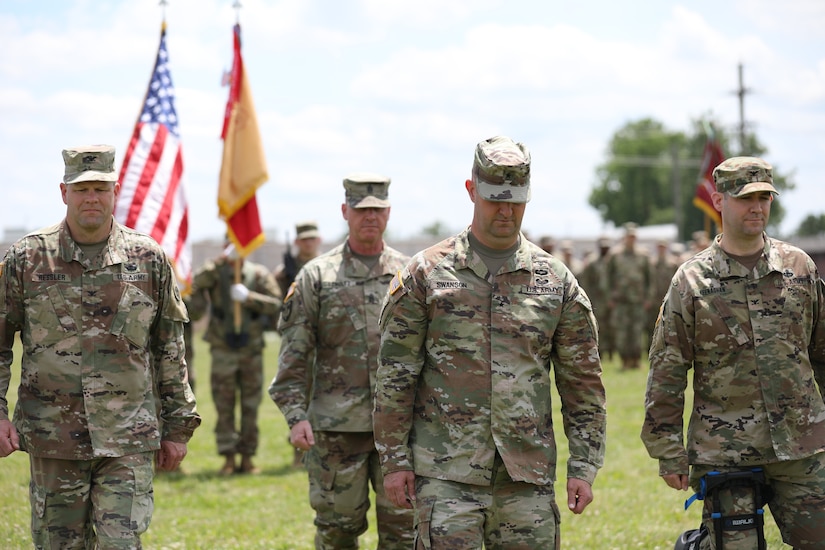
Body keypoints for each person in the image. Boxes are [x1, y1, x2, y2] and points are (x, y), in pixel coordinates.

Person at [374, 136, 607, 548]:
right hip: (446, 474)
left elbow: (583, 385)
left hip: (526, 476)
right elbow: (395, 377)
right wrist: (394, 461)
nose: (506, 210)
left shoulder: (555, 282)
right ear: (471, 191)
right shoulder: (426, 276)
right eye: (495, 199)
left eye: (516, 200)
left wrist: (583, 466)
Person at [0, 145, 201, 548]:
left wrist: (178, 427)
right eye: (81, 189)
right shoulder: (27, 258)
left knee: (120, 544)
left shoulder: (149, 259)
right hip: (53, 437)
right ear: (63, 192)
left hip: (128, 436)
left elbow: (169, 350)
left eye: (100, 188)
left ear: (115, 192)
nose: (91, 197)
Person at [641, 156, 825, 549]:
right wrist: (668, 451)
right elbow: (667, 369)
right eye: (745, 198)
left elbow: (822, 351)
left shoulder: (799, 269)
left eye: (764, 197)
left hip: (802, 444)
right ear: (719, 200)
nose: (757, 207)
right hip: (727, 450)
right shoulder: (691, 280)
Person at [269, 173, 414, 548]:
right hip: (335, 431)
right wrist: (295, 414)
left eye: (378, 209)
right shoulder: (316, 276)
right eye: (362, 210)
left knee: (406, 532)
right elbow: (294, 353)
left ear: (389, 212)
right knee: (337, 532)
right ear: (345, 211)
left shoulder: (411, 275)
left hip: (400, 430)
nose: (371, 217)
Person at [188, 242, 281, 475]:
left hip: (251, 348)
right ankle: (228, 457)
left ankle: (248, 457)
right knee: (224, 405)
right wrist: (218, 263)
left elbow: (275, 304)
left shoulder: (258, 274)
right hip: (222, 349)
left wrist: (249, 297)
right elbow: (197, 284)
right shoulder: (216, 273)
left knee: (250, 406)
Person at [605, 221, 651, 370]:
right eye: (629, 236)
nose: (631, 239)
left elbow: (650, 278)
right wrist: (609, 297)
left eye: (633, 236)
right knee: (622, 332)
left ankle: (636, 360)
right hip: (621, 300)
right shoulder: (615, 255)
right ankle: (624, 360)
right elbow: (607, 278)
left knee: (637, 332)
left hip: (637, 300)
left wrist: (648, 298)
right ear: (624, 237)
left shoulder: (643, 255)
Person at [579, 236, 615, 361]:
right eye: (603, 247)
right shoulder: (592, 262)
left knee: (612, 326)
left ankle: (611, 352)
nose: (605, 249)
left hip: (612, 299)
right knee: (599, 326)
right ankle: (600, 351)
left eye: (607, 247)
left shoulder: (613, 261)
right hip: (598, 299)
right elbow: (586, 282)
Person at [274, 220, 322, 299]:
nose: (308, 243)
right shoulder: (283, 272)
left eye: (312, 238)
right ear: (296, 242)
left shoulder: (329, 268)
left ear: (319, 240)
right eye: (304, 239)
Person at [648, 238, 680, 338]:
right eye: (659, 247)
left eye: (663, 247)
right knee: (651, 324)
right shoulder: (651, 263)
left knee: (668, 324)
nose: (661, 249)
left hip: (668, 298)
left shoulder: (672, 263)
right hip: (654, 299)